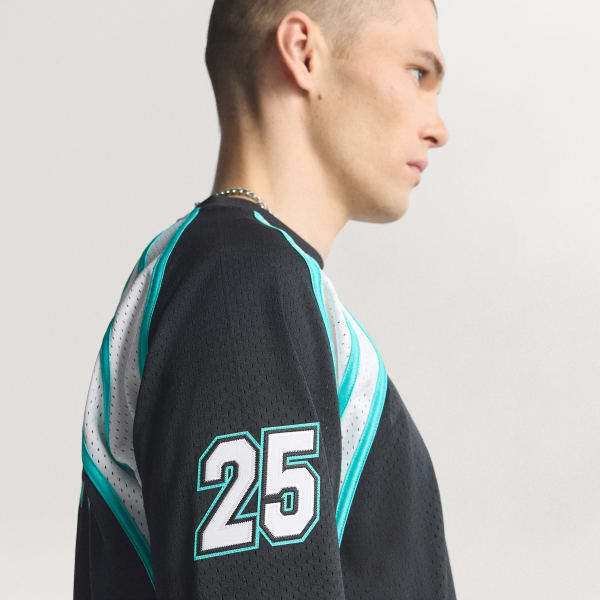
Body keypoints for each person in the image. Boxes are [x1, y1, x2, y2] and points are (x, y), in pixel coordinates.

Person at [73, 0, 454, 598]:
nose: (438, 128)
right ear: (303, 52)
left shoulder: (223, 271)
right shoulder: (241, 284)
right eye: (416, 72)